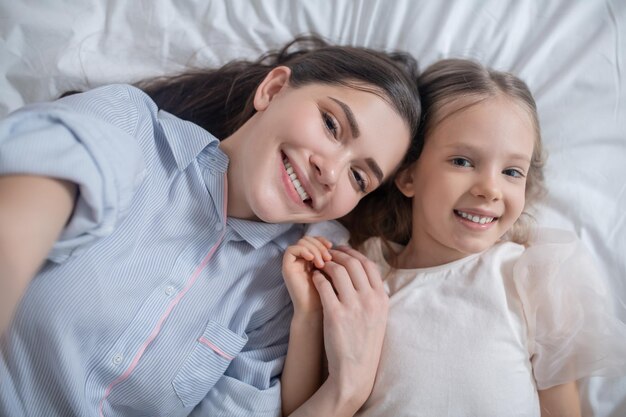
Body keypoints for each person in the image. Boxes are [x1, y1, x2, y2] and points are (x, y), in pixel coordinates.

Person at [0, 35, 421, 417]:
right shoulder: (131, 129)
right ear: (272, 90)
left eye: (358, 177)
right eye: (331, 125)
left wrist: (346, 391)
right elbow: (12, 228)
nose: (331, 172)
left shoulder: (278, 295)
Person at [282, 58, 626, 417]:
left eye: (511, 171)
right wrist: (308, 316)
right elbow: (305, 407)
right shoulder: (361, 274)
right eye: (462, 161)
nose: (490, 189)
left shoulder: (528, 275)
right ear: (409, 174)